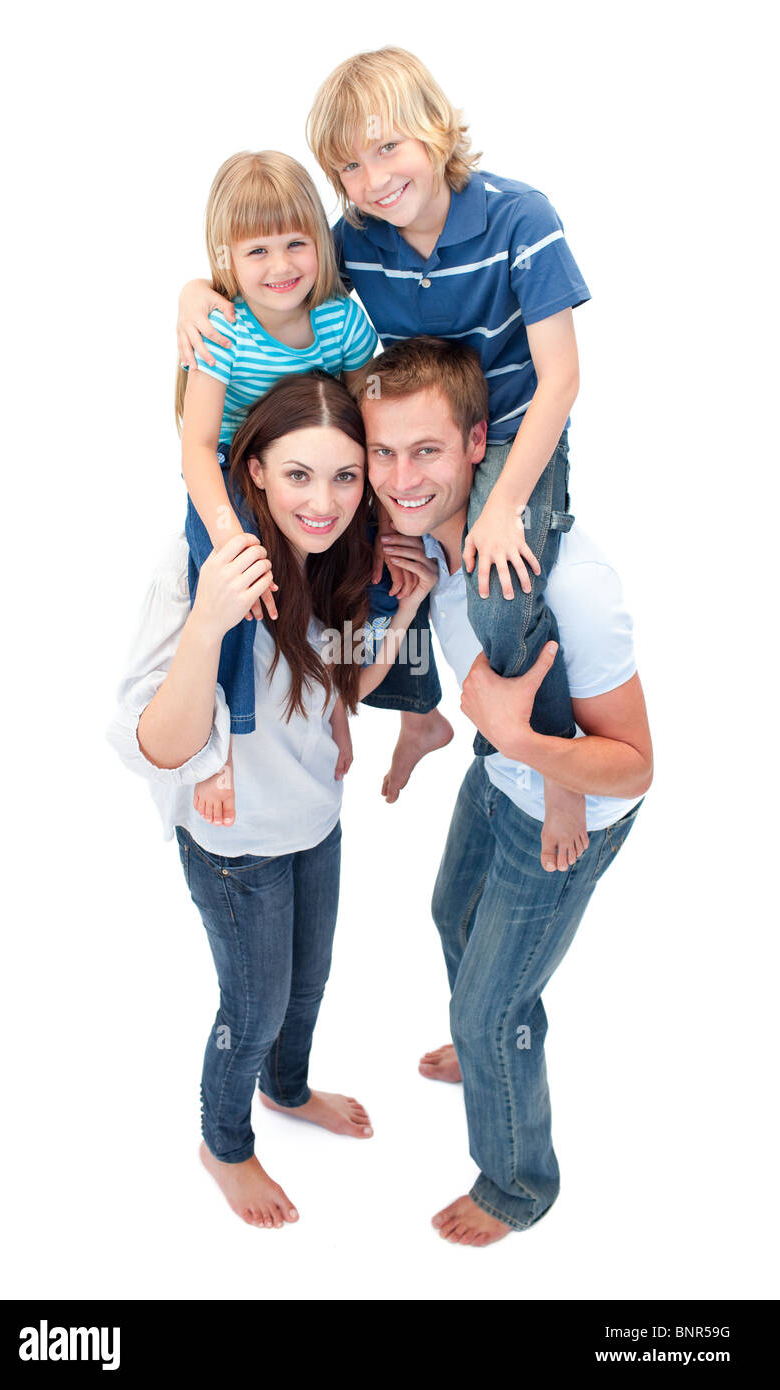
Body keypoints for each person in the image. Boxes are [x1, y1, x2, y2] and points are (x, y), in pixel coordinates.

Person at [176, 46, 591, 870]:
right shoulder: (350, 242)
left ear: (436, 130)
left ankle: (556, 761)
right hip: (394, 443)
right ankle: (399, 710)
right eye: (349, 166)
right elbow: (266, 262)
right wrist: (195, 293)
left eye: (388, 148)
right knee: (371, 568)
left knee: (494, 585)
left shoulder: (519, 216)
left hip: (506, 431)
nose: (372, 179)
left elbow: (562, 379)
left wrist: (501, 502)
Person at [107, 372, 437, 1229]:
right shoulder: (197, 567)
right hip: (233, 840)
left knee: (308, 983)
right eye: (297, 475)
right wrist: (211, 622)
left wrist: (404, 612)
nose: (323, 501)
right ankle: (224, 1143)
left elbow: (344, 685)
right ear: (251, 470)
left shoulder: (338, 559)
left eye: (344, 476)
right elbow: (149, 746)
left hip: (313, 817)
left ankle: (287, 1091)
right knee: (250, 1008)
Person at [347, 337, 653, 1245]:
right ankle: (488, 1045)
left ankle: (517, 1180)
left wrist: (524, 741)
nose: (401, 478)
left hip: (575, 812)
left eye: (427, 450)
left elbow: (635, 765)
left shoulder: (574, 584)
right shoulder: (435, 548)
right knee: (451, 914)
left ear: (479, 444)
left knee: (493, 1009)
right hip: (502, 775)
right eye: (384, 452)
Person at [177, 150, 379, 828]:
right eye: (257, 249)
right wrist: (231, 536)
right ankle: (219, 741)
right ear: (227, 258)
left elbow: (365, 421)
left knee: (380, 566)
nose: (281, 265)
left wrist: (372, 514)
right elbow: (198, 445)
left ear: (320, 244)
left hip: (313, 479)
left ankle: (348, 708)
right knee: (230, 588)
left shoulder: (342, 322)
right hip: (237, 476)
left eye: (296, 243)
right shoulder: (224, 331)